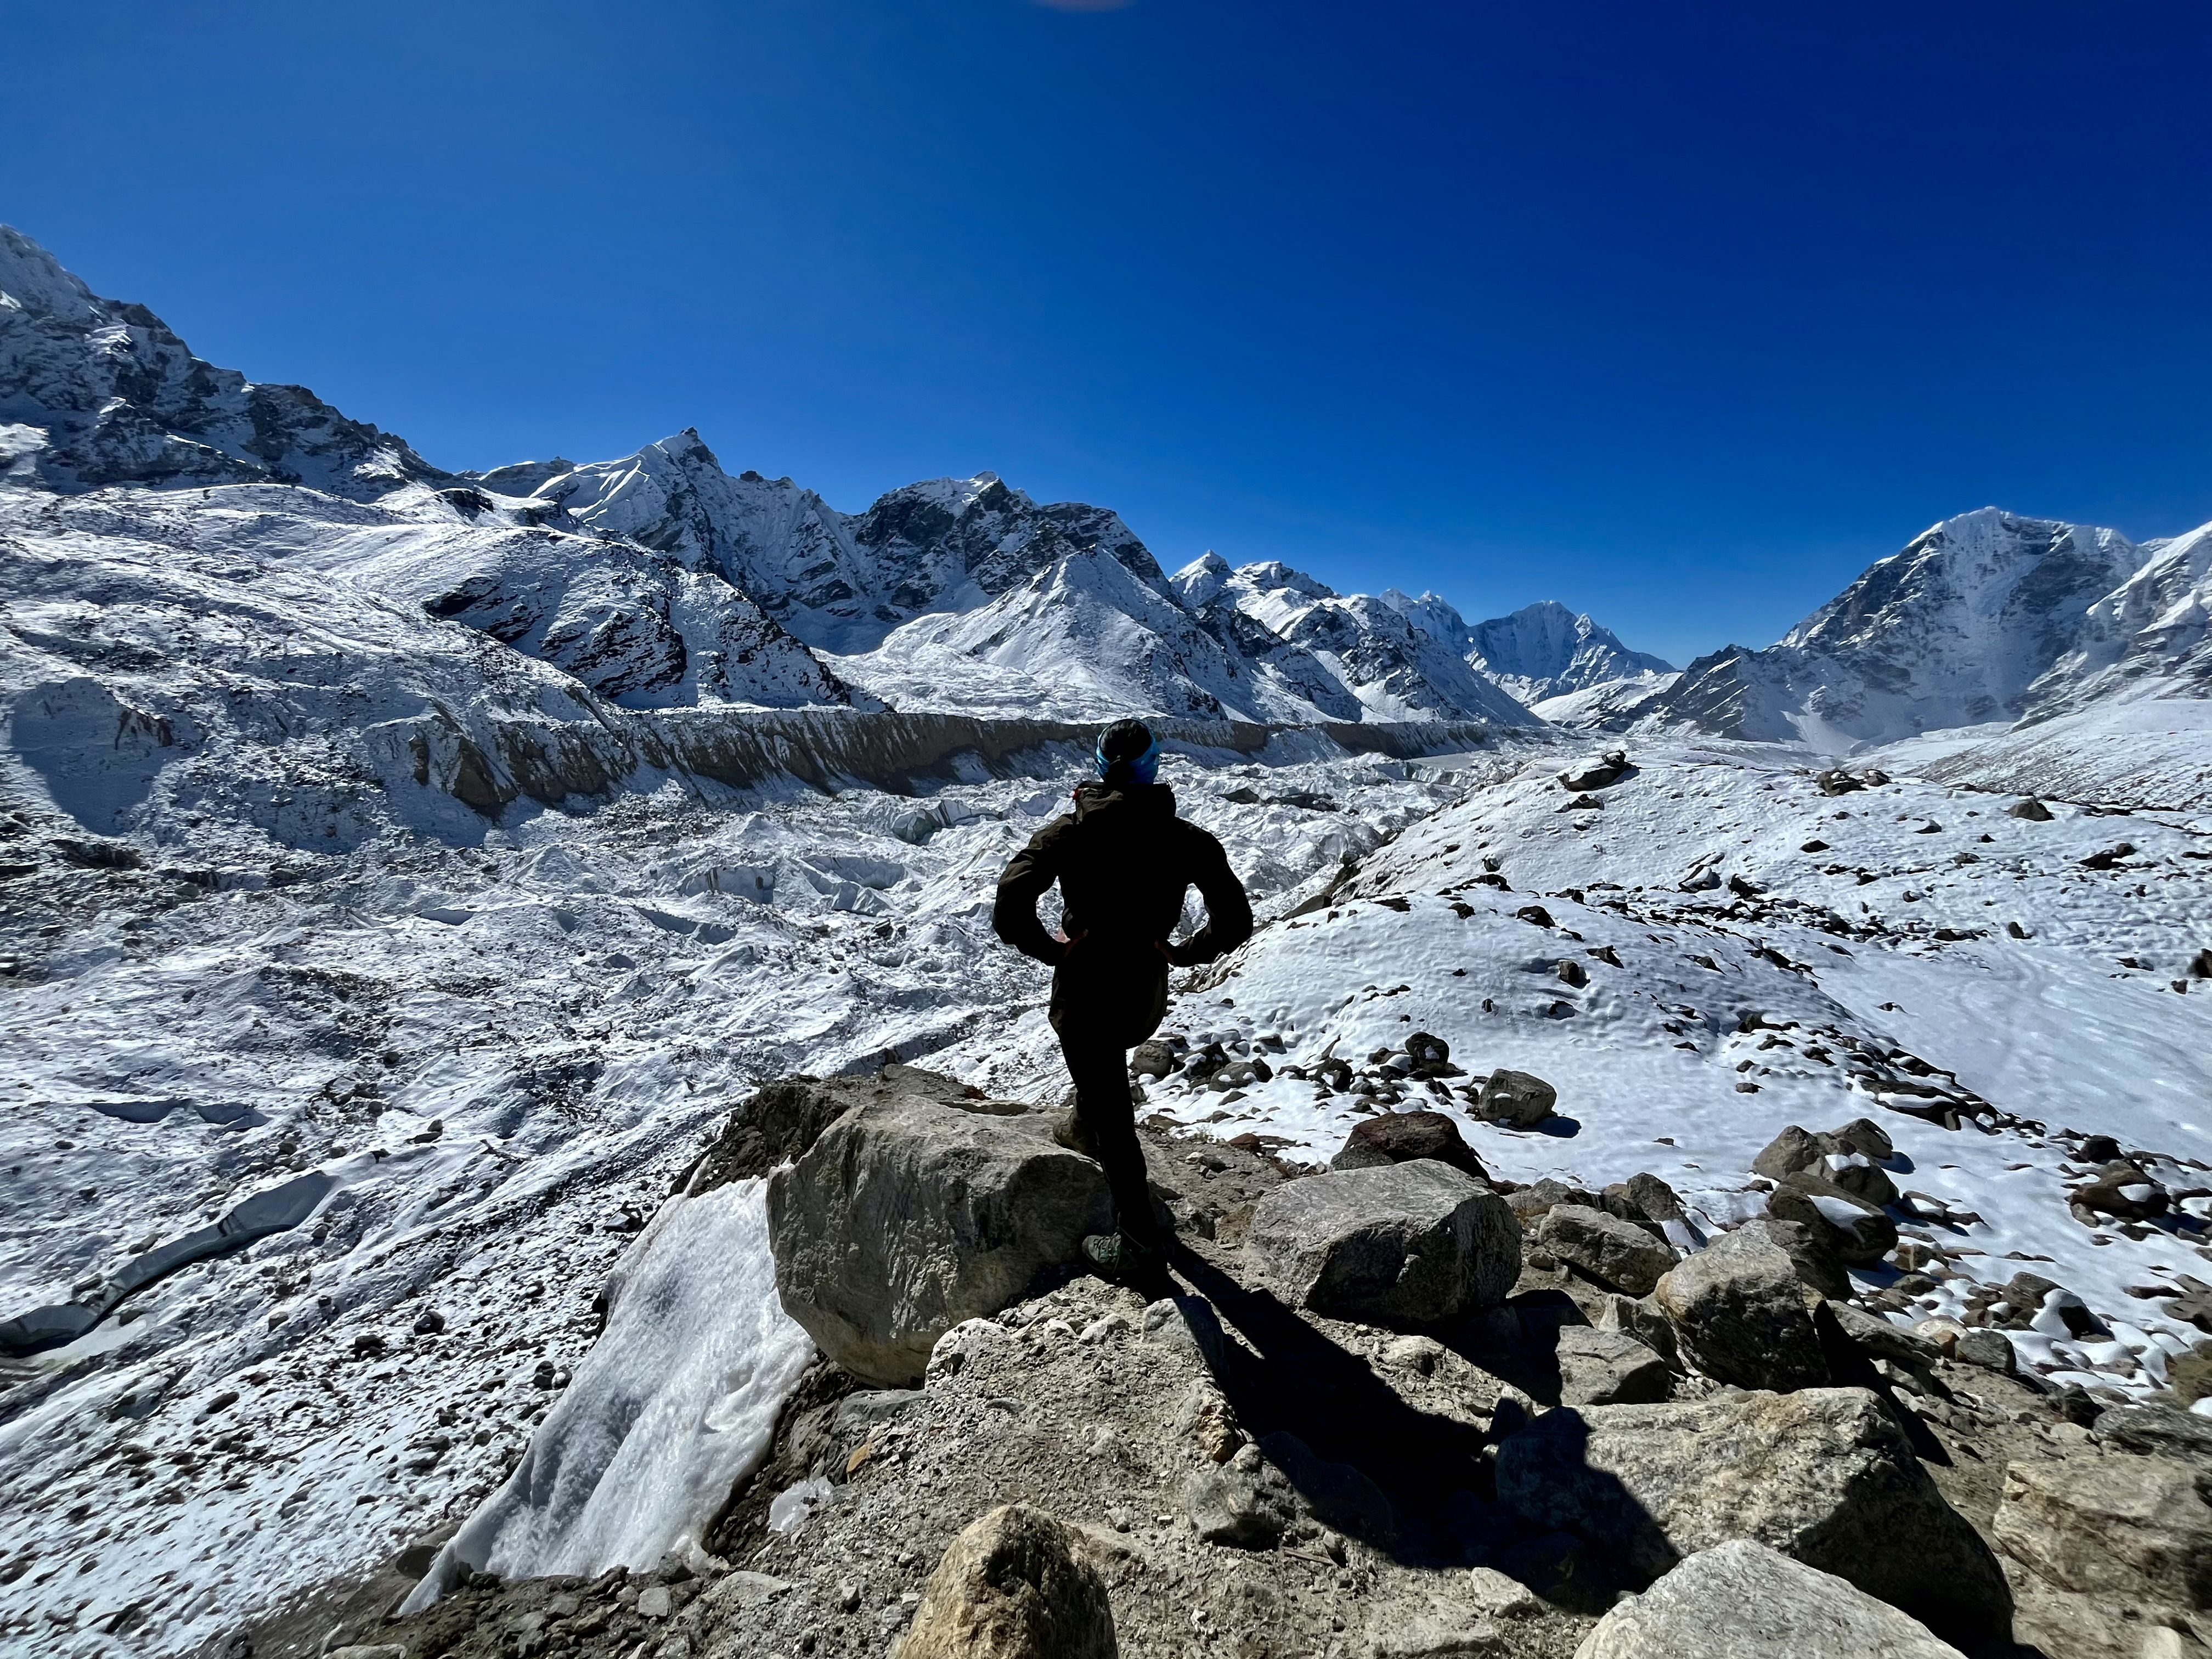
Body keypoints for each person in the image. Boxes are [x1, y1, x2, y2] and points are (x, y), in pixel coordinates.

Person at [993, 719, 1254, 1284]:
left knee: (1114, 1110)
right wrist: (1185, 954)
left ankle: (1138, 1244)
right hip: (1142, 994)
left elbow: (1011, 900)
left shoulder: (1068, 834)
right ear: (1154, 768)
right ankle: (1086, 1127)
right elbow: (1235, 920)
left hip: (1084, 993)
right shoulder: (1188, 842)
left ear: (1100, 765)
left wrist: (1051, 951)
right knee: (1104, 1082)